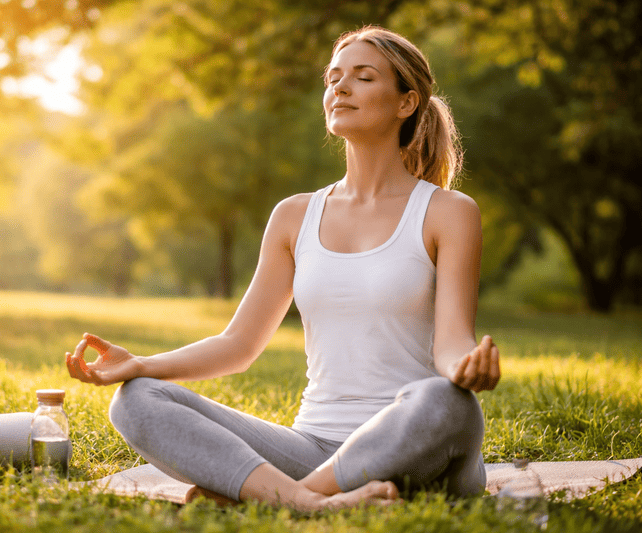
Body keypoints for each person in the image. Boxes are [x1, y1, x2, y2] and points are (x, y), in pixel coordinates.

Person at [66, 25, 501, 511]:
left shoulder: (448, 211)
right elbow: (238, 345)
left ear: (407, 103)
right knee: (137, 399)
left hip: (417, 446)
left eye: (363, 77)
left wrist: (466, 368)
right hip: (312, 448)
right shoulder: (294, 216)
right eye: (333, 78)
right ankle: (309, 499)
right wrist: (142, 365)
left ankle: (276, 496)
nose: (341, 87)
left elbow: (452, 342)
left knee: (447, 400)